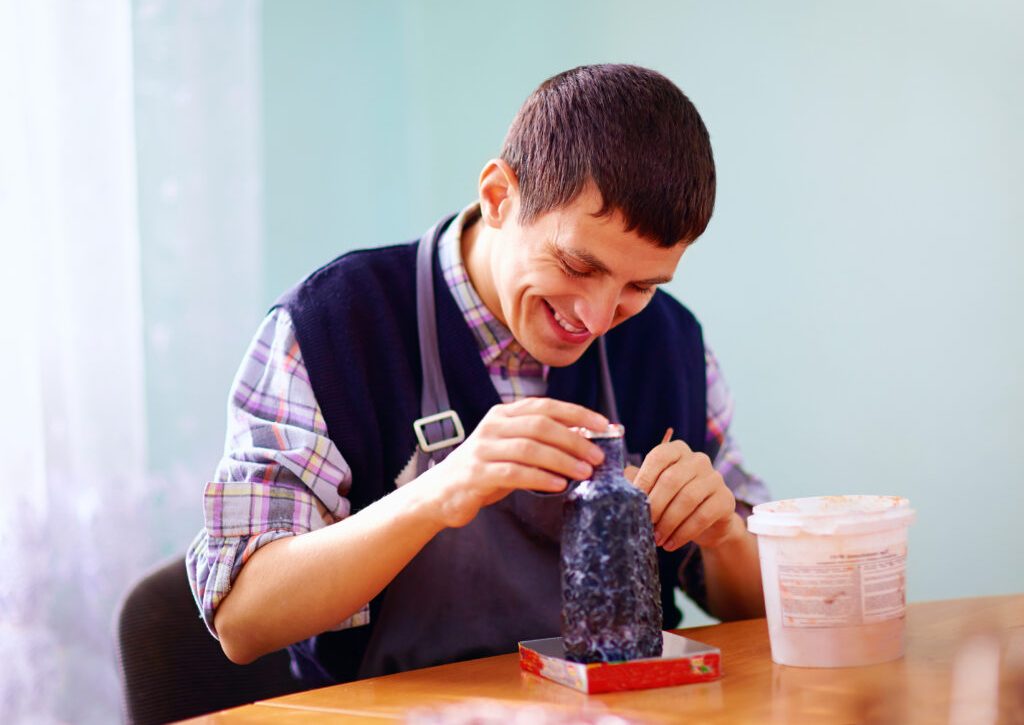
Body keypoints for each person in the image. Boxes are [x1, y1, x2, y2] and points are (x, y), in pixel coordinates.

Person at [186, 63, 770, 685]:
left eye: (640, 286)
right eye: (577, 265)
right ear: (498, 197)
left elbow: (761, 612)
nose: (599, 316)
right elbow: (243, 622)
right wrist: (440, 492)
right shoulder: (329, 329)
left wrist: (724, 536)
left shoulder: (670, 346)